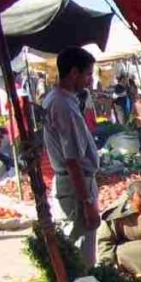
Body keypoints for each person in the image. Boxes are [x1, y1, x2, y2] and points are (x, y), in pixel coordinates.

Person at [43, 47, 100, 266]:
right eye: (88, 74)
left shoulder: (59, 99)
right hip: (76, 186)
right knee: (81, 256)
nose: (90, 80)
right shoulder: (63, 105)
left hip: (72, 183)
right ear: (74, 73)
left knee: (77, 249)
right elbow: (73, 161)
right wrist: (87, 202)